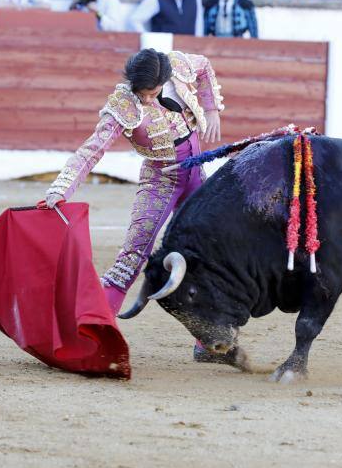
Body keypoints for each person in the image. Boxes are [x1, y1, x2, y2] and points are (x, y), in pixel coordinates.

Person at [38, 49, 223, 319]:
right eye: (142, 93)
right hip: (160, 181)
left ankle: (208, 339)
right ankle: (92, 327)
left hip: (196, 176)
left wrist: (211, 108)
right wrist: (60, 188)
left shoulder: (178, 67)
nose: (147, 99)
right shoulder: (123, 105)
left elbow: (204, 65)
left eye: (152, 92)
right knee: (133, 254)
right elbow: (92, 151)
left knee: (209, 252)